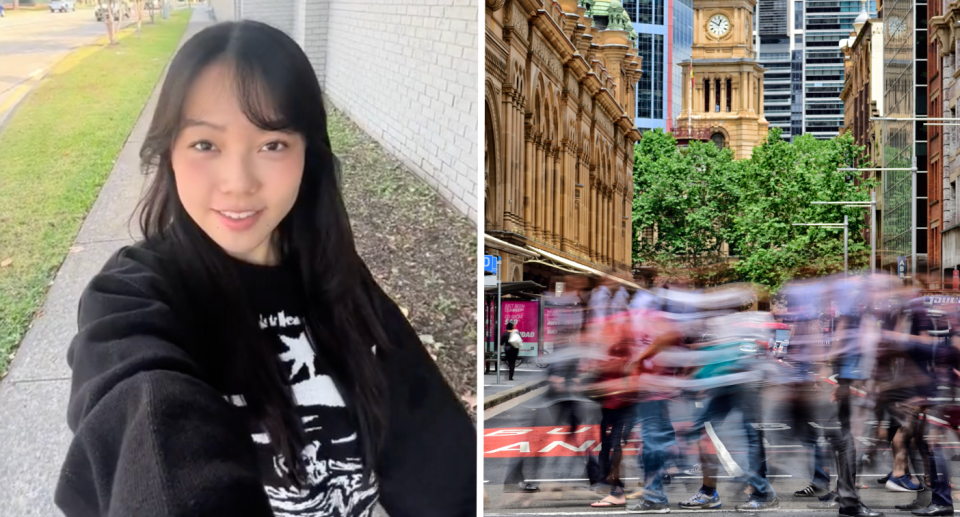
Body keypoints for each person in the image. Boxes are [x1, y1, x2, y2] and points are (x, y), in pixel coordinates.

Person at [54, 21, 475, 517]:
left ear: (306, 156)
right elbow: (146, 424)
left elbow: (440, 459)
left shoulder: (337, 278)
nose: (238, 183)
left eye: (272, 144)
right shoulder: (130, 298)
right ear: (170, 153)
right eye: (205, 145)